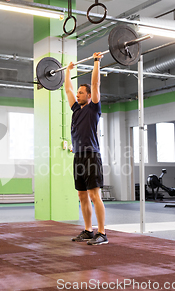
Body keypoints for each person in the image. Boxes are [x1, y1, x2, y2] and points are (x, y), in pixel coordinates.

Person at [65, 52, 108, 245]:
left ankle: (102, 233)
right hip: (79, 157)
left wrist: (96, 62)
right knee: (82, 195)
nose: (78, 94)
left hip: (92, 155)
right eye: (78, 93)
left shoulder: (93, 108)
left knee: (93, 194)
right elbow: (67, 90)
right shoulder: (76, 110)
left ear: (89, 96)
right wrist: (67, 71)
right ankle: (88, 230)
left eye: (81, 92)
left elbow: (96, 84)